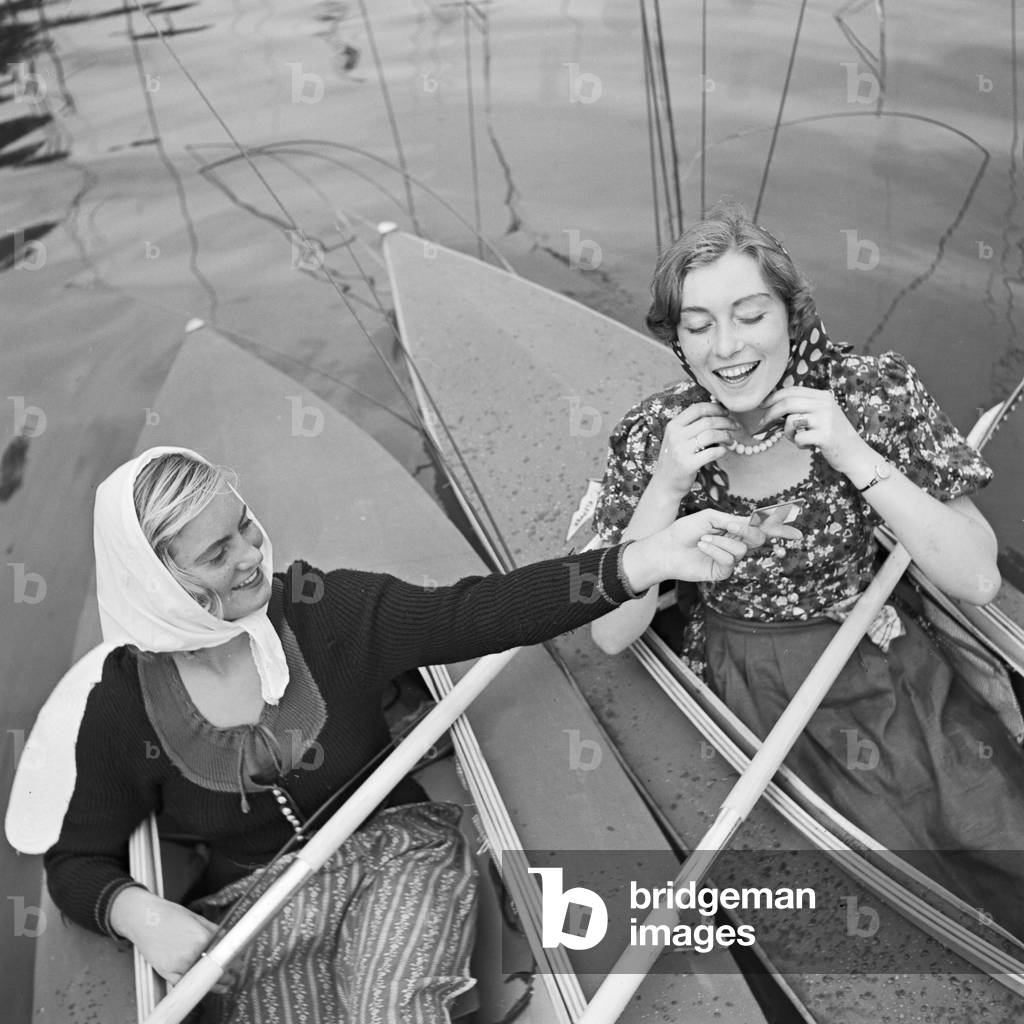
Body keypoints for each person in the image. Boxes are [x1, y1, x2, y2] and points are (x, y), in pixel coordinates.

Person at [43, 444, 791, 1024]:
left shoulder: (321, 609)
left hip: (397, 851)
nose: (251, 557)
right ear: (157, 584)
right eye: (217, 553)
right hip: (257, 909)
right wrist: (139, 914)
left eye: (244, 525)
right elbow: (77, 859)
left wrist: (638, 563)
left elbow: (481, 611)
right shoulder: (122, 708)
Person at [589, 200, 1024, 937]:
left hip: (884, 654)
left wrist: (855, 454)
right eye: (699, 326)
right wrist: (664, 486)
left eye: (750, 315)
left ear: (793, 314)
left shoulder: (871, 393)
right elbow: (608, 635)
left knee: (995, 828)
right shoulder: (660, 436)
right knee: (897, 877)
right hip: (752, 679)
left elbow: (978, 580)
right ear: (678, 342)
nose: (727, 347)